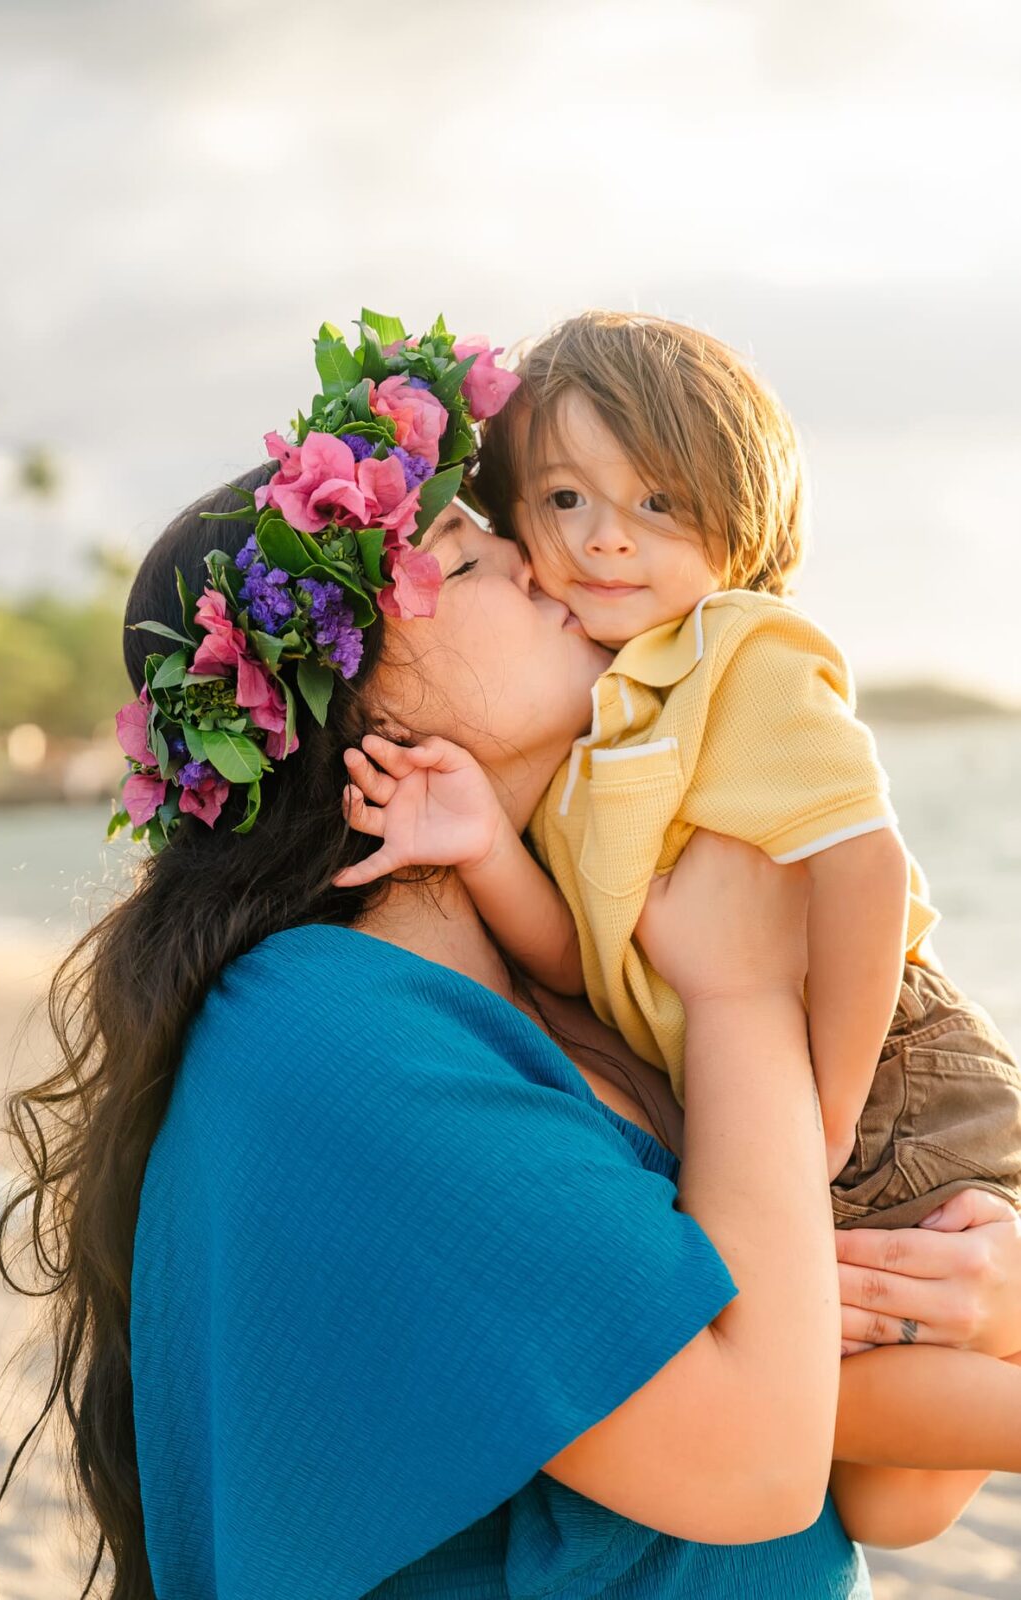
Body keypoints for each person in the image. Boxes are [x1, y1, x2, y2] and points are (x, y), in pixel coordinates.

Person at [0, 315, 1021, 1600]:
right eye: (469, 558)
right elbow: (749, 1461)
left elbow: (837, 1428)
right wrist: (742, 987)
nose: (547, 563)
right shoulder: (327, 1038)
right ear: (352, 694)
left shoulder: (548, 989)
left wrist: (986, 1304)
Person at [337, 311, 1021, 1490]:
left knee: (826, 1380)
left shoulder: (734, 653)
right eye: (560, 501)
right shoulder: (590, 718)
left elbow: (860, 862)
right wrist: (487, 841)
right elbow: (578, 958)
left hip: (888, 1063)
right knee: (845, 1439)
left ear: (740, 516)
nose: (603, 541)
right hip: (769, 1077)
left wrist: (830, 1111)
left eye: (658, 504)